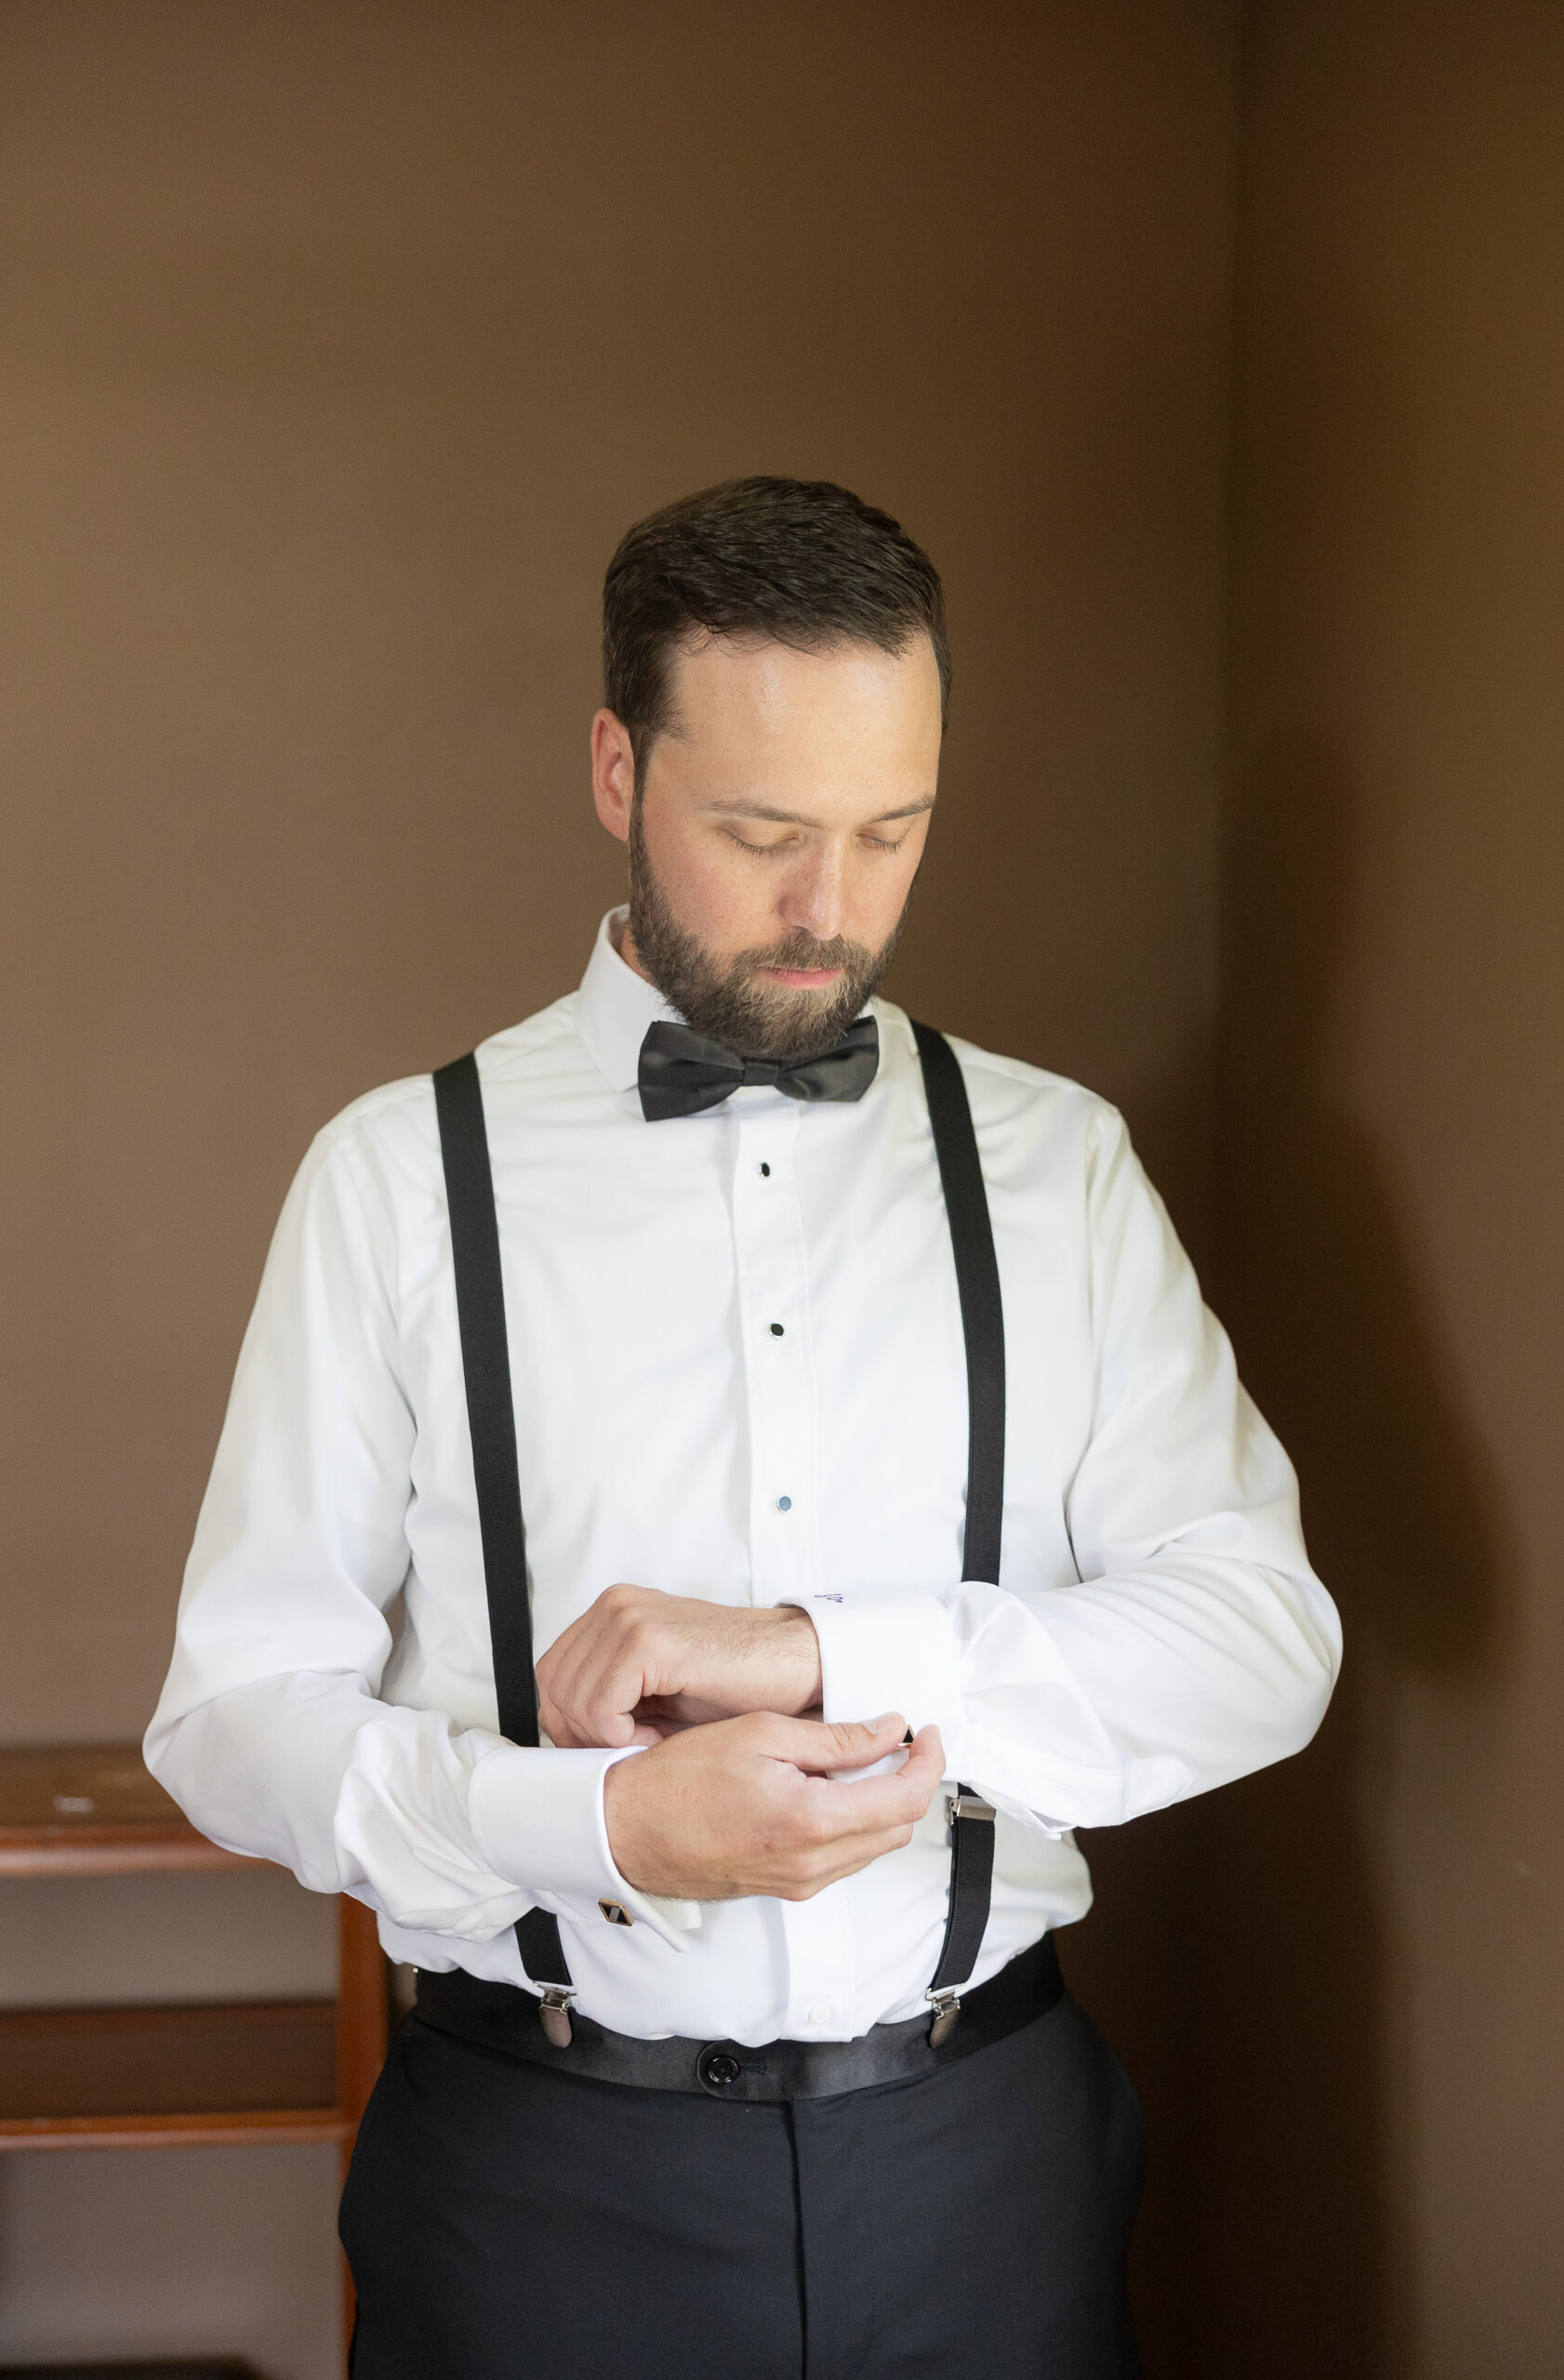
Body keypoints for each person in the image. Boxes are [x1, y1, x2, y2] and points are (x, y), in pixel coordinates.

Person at [146, 476, 1340, 2379]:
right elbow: (231, 1720)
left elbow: (1261, 1643)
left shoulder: (1057, 1165)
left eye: (890, 831)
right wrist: (595, 1822)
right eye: (761, 830)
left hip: (988, 2167)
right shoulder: (391, 1179)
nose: (826, 909)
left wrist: (818, 1651)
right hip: (540, 2182)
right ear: (616, 771)